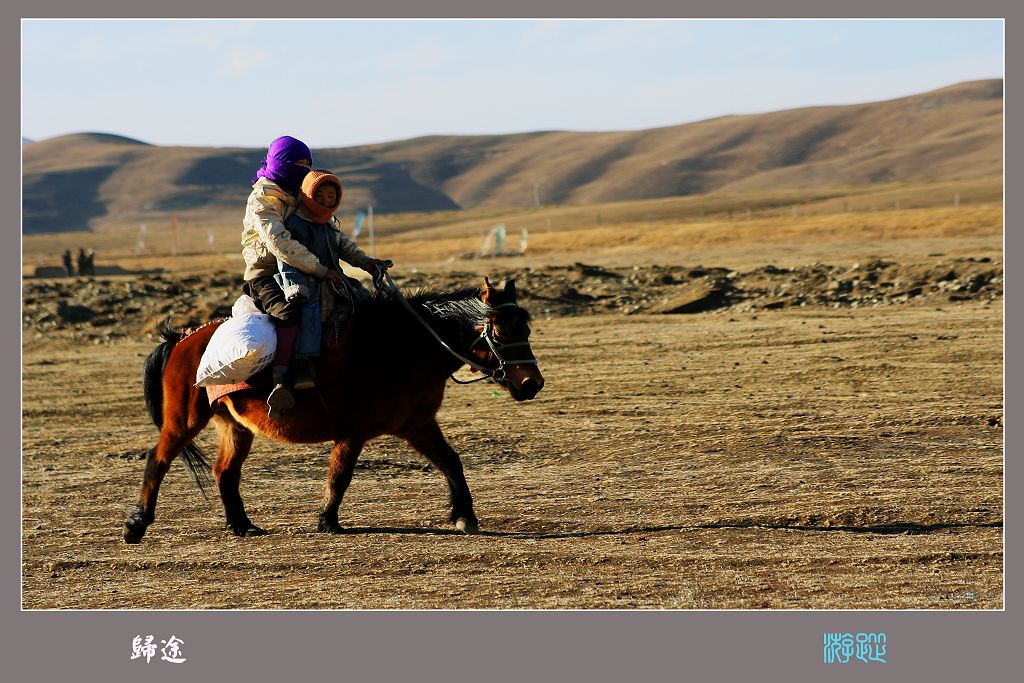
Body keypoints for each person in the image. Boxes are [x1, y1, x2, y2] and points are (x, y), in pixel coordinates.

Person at [240, 136, 390, 418]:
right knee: (289, 312)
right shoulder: (263, 197)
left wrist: (365, 262)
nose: (304, 169)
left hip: (312, 269)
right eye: (297, 164)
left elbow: (334, 236)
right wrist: (321, 270)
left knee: (357, 304)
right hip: (267, 274)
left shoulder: (302, 193)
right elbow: (279, 243)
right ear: (280, 163)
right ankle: (282, 381)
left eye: (308, 164)